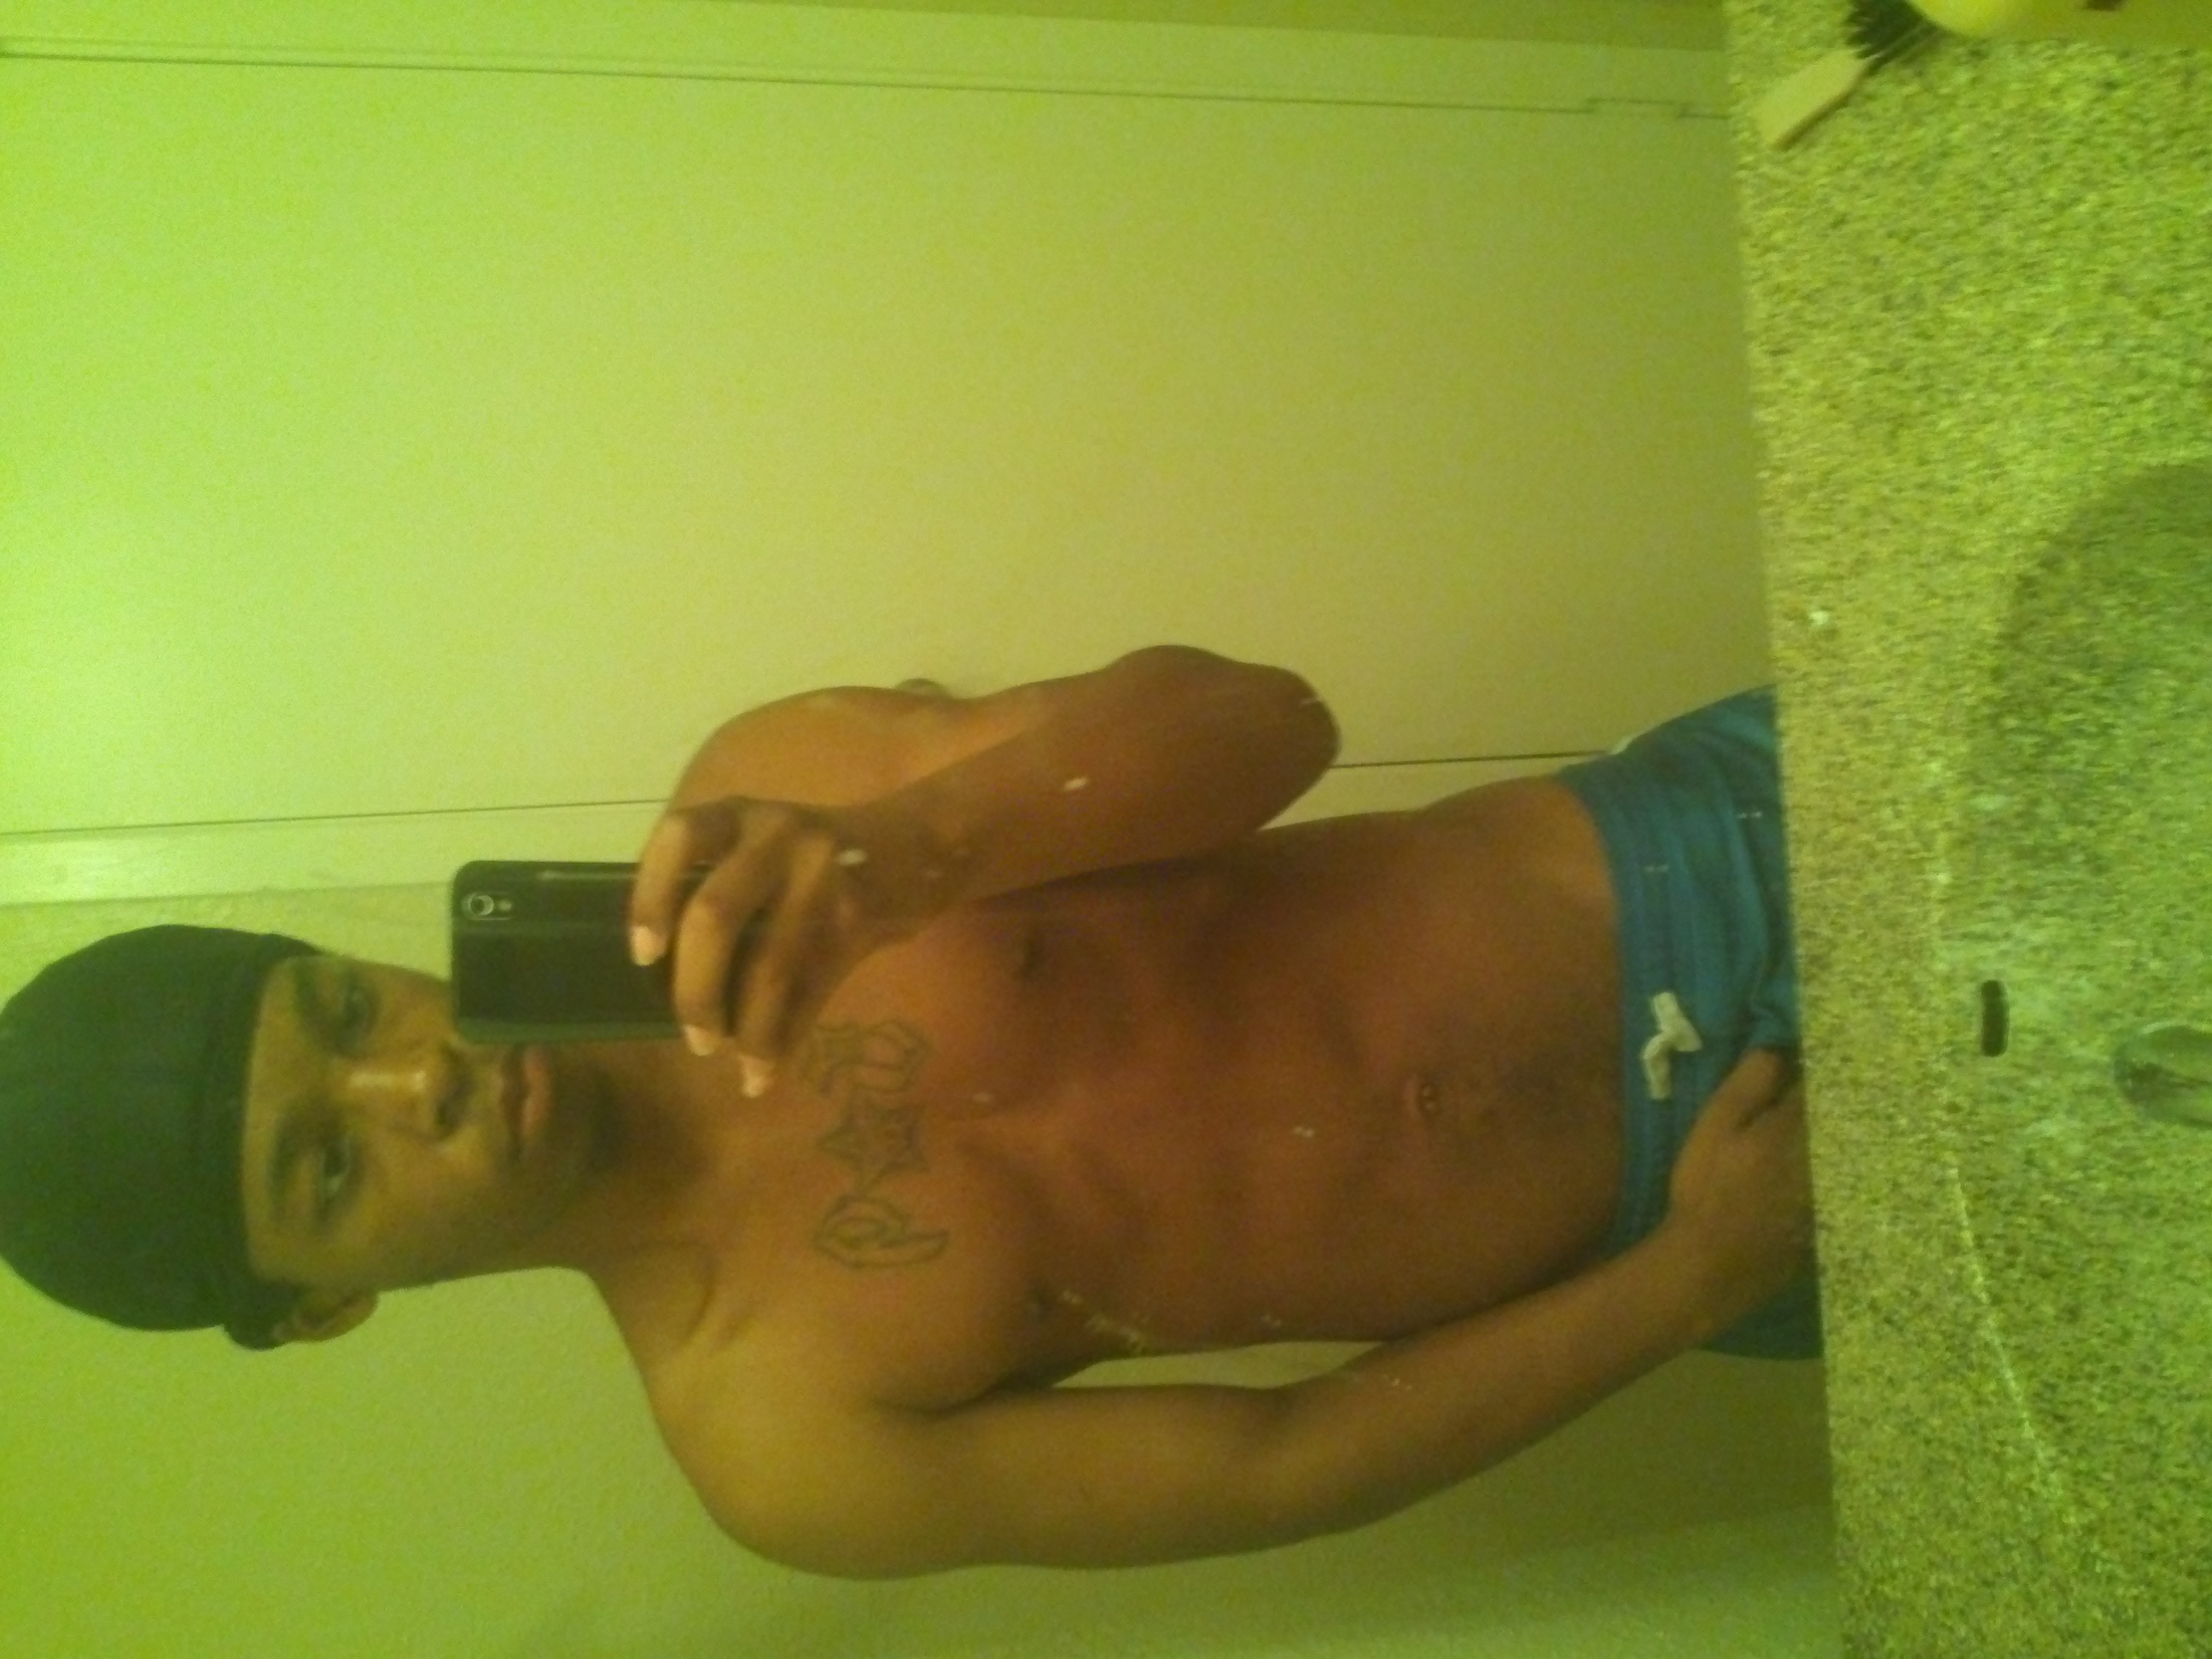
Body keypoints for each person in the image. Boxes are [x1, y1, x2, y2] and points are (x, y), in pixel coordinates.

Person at [0, 644, 1816, 1578]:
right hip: (1713, 1212)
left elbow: (1275, 718)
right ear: (326, 1303)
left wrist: (913, 847)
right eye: (330, 1162)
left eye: (340, 1009)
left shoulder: (767, 794)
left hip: (1703, 853)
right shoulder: (779, 1438)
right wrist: (1693, 1283)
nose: (420, 1076)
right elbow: (1289, 1464)